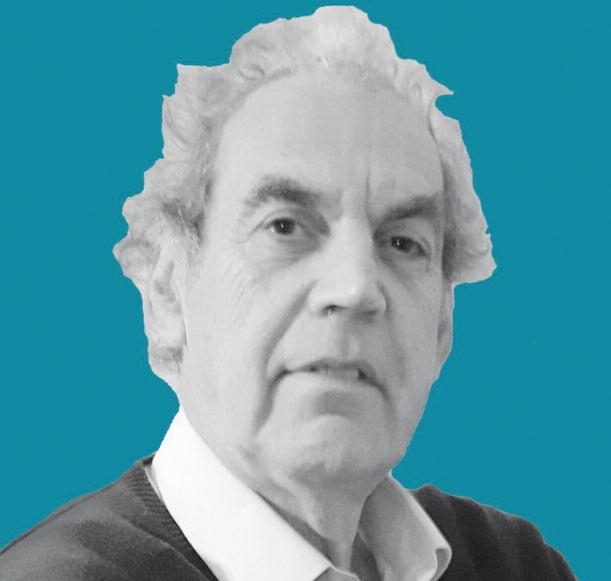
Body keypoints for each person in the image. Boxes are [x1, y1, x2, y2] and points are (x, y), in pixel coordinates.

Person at [1, 6, 576, 581]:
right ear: (167, 293)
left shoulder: (513, 564)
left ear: (443, 324)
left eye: (403, 243)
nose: (356, 287)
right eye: (284, 227)